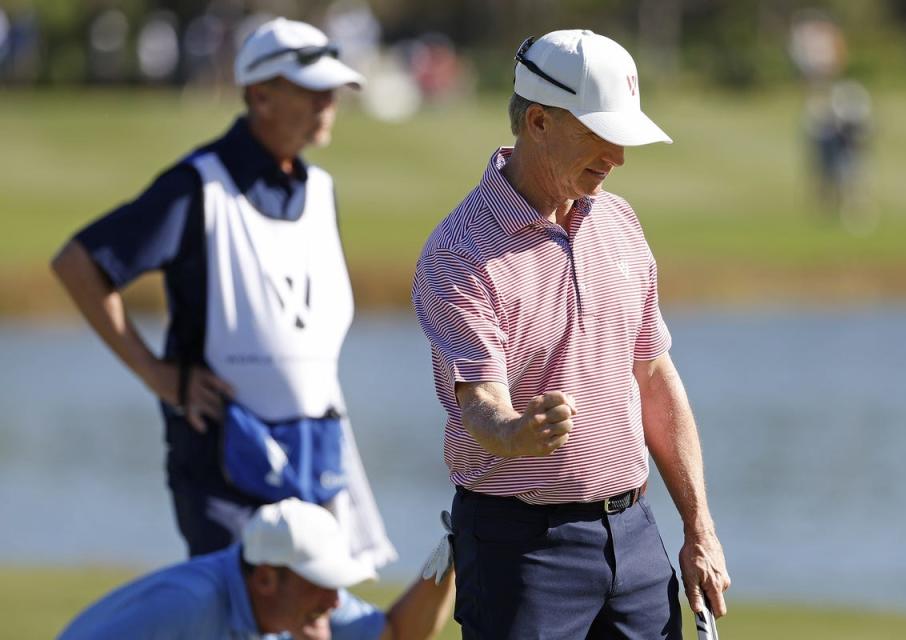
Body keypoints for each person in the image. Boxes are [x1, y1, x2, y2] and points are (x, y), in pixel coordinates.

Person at [412, 30, 731, 639]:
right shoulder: (460, 251)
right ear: (538, 122)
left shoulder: (619, 222)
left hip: (634, 537)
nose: (617, 157)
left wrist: (699, 528)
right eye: (599, 136)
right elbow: (478, 398)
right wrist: (515, 432)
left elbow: (654, 379)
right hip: (522, 548)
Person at [51, 17, 394, 566]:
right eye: (312, 90)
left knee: (316, 615)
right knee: (237, 611)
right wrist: (154, 373)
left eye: (331, 90)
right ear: (260, 95)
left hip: (317, 450)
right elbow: (79, 264)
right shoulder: (196, 187)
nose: (328, 102)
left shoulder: (320, 190)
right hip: (223, 457)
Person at [58, 498, 455, 640]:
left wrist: (453, 553)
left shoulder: (301, 603)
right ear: (265, 577)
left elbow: (397, 634)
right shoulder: (186, 605)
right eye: (321, 584)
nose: (335, 601)